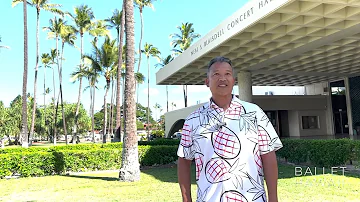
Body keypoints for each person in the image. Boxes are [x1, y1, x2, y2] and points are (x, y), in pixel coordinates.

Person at [177, 56, 283, 202]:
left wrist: (273, 198)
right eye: (216, 74)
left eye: (227, 74)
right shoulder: (193, 120)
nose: (222, 78)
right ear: (207, 82)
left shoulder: (254, 113)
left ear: (233, 81)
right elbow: (184, 160)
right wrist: (186, 199)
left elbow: (268, 156)